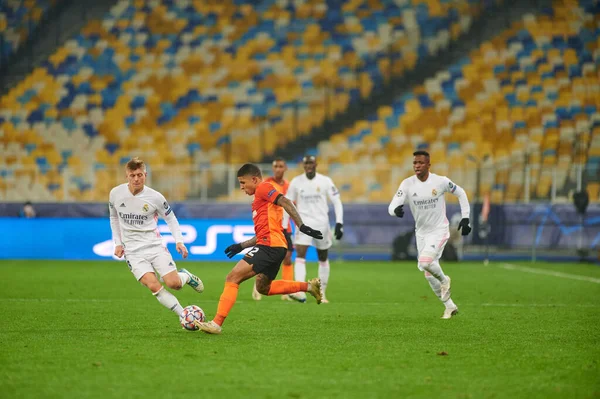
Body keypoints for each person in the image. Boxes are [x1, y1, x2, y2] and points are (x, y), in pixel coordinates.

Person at [193, 163, 324, 335]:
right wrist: (240, 246)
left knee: (232, 278)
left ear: (254, 179)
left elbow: (285, 201)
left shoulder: (263, 188)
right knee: (264, 288)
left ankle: (216, 324)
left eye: (242, 182)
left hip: (269, 246)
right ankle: (308, 287)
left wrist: (301, 226)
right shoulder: (259, 201)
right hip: (275, 246)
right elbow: (261, 234)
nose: (241, 187)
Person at [109, 157, 204, 321]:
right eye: (133, 175)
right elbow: (114, 218)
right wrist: (118, 243)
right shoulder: (116, 194)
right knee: (153, 285)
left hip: (154, 246)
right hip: (132, 251)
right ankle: (184, 316)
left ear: (145, 175)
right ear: (127, 176)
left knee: (174, 284)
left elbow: (171, 219)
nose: (136, 179)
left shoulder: (156, 197)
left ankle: (185, 276)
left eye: (140, 175)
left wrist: (179, 241)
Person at [388, 150, 471, 319]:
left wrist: (466, 218)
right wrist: (395, 211)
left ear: (428, 165)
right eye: (414, 163)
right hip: (422, 234)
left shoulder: (440, 182)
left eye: (420, 163)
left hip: (439, 230)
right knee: (427, 272)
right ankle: (449, 306)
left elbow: (461, 192)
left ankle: (444, 280)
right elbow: (392, 206)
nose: (417, 166)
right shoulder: (407, 184)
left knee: (426, 262)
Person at [285, 155, 343, 303]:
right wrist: (285, 226)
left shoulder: (325, 181)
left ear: (316, 164)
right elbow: (287, 204)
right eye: (306, 163)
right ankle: (299, 291)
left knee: (323, 257)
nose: (308, 165)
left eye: (311, 163)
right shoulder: (296, 182)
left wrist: (339, 223)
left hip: (322, 224)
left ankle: (322, 293)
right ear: (303, 165)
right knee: (300, 255)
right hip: (303, 224)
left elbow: (337, 201)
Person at [251, 157, 295, 301]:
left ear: (285, 168)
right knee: (266, 257)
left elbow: (291, 205)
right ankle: (257, 285)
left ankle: (286, 291)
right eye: (275, 166)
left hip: (285, 226)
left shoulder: (289, 186)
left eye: (280, 166)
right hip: (270, 227)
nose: (278, 169)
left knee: (288, 258)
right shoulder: (267, 184)